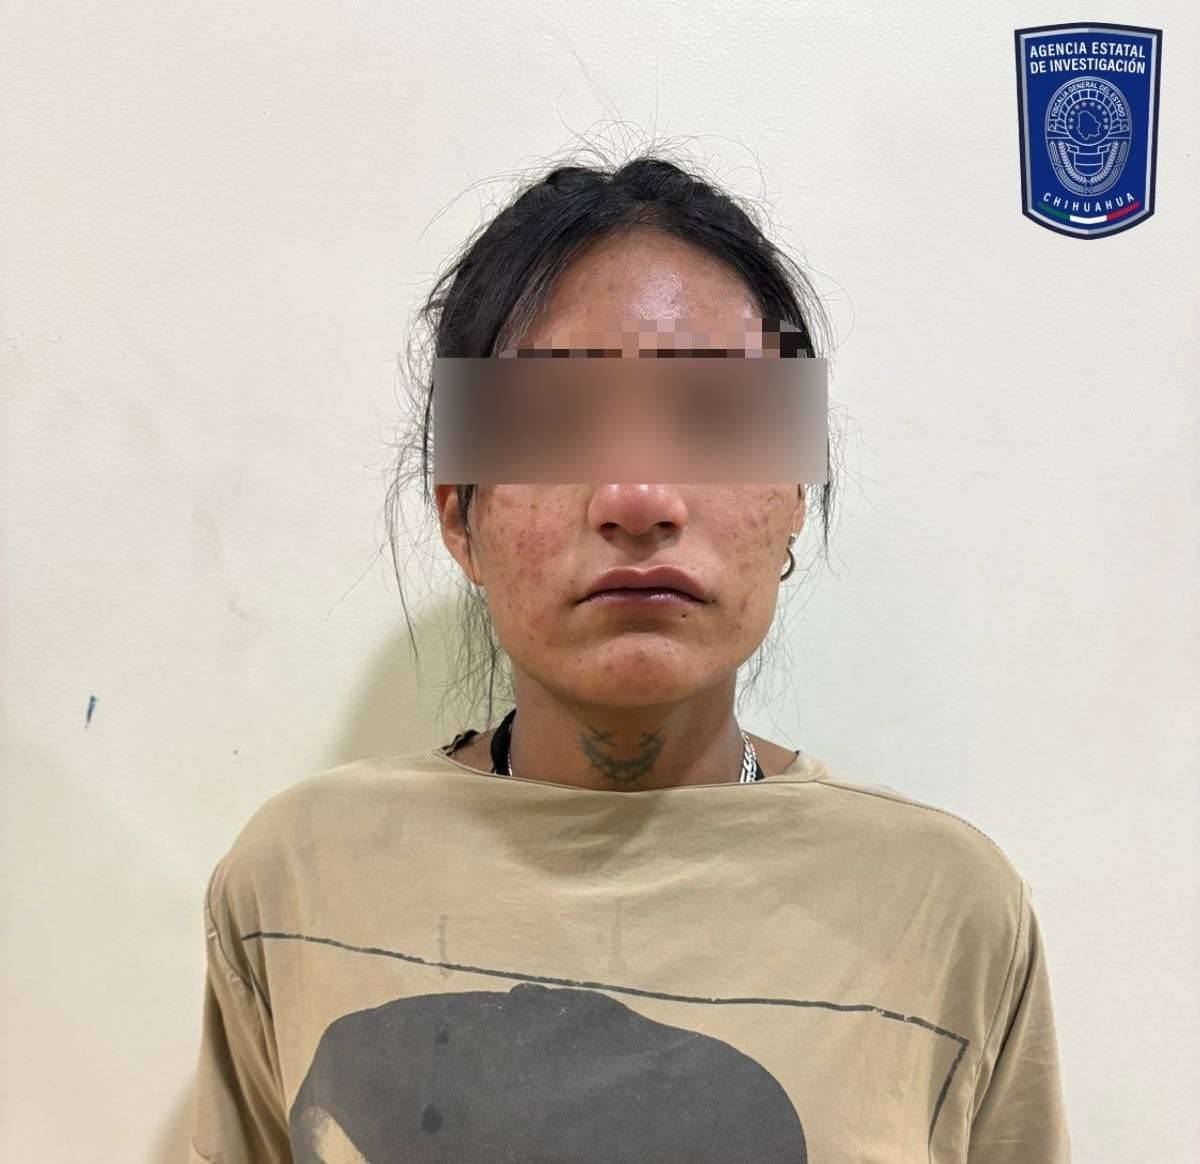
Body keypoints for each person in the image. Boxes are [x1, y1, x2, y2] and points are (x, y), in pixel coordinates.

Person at [189, 154, 1071, 1162]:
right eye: (553, 424)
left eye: (716, 419)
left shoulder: (947, 909)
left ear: (792, 498)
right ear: (460, 517)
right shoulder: (300, 877)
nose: (638, 495)